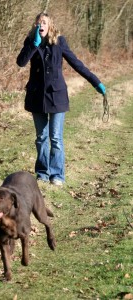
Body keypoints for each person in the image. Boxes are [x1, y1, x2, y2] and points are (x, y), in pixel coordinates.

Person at [16, 12, 106, 186]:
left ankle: (57, 175)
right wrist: (34, 45)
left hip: (57, 95)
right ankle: (42, 173)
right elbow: (21, 62)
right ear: (35, 25)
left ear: (50, 25)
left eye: (44, 22)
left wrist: (96, 82)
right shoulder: (30, 41)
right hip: (36, 96)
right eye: (38, 22)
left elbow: (77, 63)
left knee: (55, 137)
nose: (41, 25)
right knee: (41, 137)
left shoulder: (59, 42)